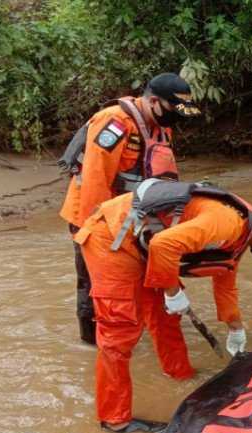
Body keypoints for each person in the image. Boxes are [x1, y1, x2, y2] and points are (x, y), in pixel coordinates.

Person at [73, 178, 252, 433]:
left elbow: (225, 283)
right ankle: (115, 421)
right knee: (119, 331)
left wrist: (235, 327)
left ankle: (180, 375)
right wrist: (173, 292)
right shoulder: (228, 223)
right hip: (111, 237)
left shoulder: (244, 232)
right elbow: (163, 245)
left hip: (142, 247)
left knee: (166, 316)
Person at [58, 73, 200, 345]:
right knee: (94, 282)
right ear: (154, 101)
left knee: (138, 276)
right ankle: (92, 342)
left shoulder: (160, 126)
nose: (176, 119)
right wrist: (98, 232)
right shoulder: (114, 123)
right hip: (92, 217)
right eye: (173, 110)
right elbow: (95, 180)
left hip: (130, 216)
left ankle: (136, 328)